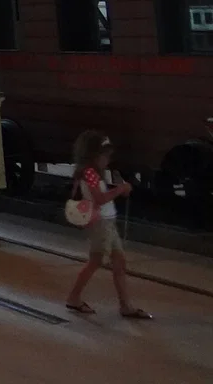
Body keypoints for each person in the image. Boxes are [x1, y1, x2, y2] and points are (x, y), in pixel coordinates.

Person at [64, 130, 151, 319]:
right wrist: (120, 189)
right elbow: (100, 199)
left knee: (118, 262)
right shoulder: (90, 173)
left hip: (107, 222)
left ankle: (125, 305)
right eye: (104, 155)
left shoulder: (93, 172)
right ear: (93, 155)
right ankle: (74, 297)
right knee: (96, 261)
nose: (107, 159)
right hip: (100, 224)